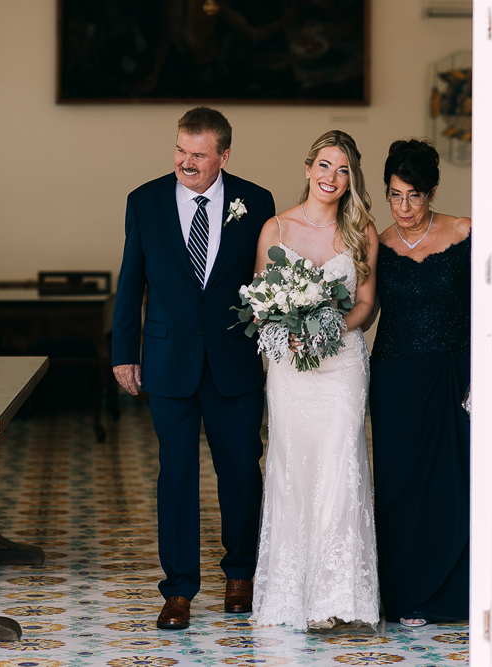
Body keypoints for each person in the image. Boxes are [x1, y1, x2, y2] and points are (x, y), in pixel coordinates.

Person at [111, 107, 276, 630]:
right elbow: (130, 281)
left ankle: (241, 575)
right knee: (175, 477)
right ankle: (178, 590)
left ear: (223, 156)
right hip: (168, 361)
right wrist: (123, 351)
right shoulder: (145, 200)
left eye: (199, 155)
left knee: (241, 474)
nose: (186, 162)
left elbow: (268, 281)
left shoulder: (258, 202)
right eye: (180, 151)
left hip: (234, 361)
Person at [249, 130, 380, 629]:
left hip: (342, 364)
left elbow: (366, 304)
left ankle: (339, 598)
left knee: (341, 465)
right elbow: (260, 305)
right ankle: (293, 595)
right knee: (292, 467)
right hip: (291, 371)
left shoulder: (360, 231)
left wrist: (329, 327)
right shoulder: (275, 229)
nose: (332, 177)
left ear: (351, 179)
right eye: (325, 165)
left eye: (343, 170)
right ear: (307, 168)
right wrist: (289, 333)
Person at [368, 138, 471, 627]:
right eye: (394, 195)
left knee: (451, 485)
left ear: (431, 193)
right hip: (393, 379)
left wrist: (475, 375)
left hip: (450, 376)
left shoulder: (466, 233)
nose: (403, 207)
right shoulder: (378, 243)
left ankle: (451, 594)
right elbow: (365, 310)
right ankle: (405, 594)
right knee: (397, 489)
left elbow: (482, 310)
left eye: (413, 195)